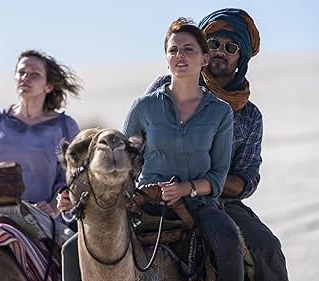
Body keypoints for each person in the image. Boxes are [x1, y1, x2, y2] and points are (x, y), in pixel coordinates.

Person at [58, 18, 242, 281]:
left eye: (189, 49)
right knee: (70, 249)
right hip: (145, 202)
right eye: (173, 50)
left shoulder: (221, 112)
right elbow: (123, 162)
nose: (180, 55)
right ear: (166, 58)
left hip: (198, 206)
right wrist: (73, 196)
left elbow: (218, 176)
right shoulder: (143, 107)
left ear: (204, 59)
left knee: (227, 237)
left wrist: (184, 189)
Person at [145, 8, 288, 280]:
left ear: (241, 58)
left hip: (216, 200)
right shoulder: (166, 86)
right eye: (213, 43)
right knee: (83, 241)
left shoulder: (249, 116)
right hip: (153, 191)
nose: (221, 51)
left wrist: (208, 183)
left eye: (231, 47)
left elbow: (247, 179)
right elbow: (136, 143)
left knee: (267, 249)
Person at [0, 49, 81, 219]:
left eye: (35, 75)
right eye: (21, 72)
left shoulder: (65, 126)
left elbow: (72, 178)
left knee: (71, 245)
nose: (25, 78)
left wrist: (53, 208)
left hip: (45, 219)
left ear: (48, 86)